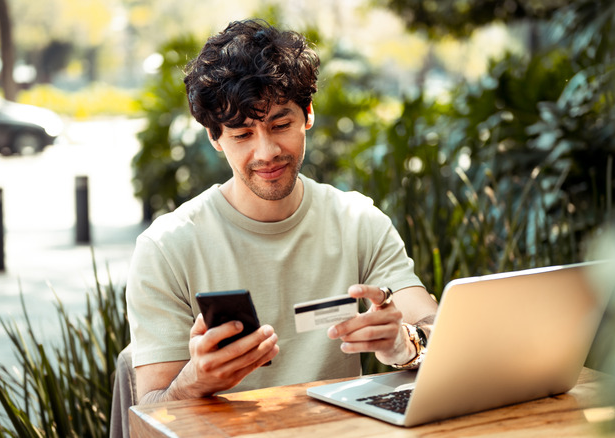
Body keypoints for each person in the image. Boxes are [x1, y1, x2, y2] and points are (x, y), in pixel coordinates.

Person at [126, 18, 439, 405]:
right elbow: (148, 412)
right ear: (215, 138)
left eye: (280, 124)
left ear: (307, 114)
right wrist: (194, 381)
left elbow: (436, 330)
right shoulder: (167, 247)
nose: (266, 152)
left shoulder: (358, 221)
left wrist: (404, 344)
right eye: (241, 135)